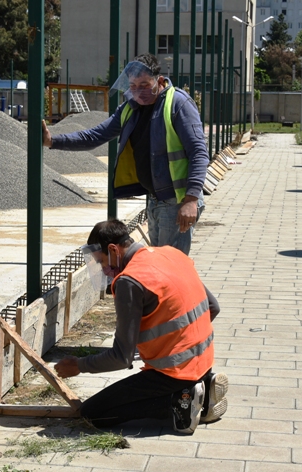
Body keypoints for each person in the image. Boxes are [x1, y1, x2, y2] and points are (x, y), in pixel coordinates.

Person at [54, 220, 228, 434]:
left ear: (113, 249)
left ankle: (180, 402)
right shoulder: (170, 254)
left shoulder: (130, 281)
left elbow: (121, 358)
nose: (104, 270)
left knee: (93, 413)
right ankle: (202, 387)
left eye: (102, 261)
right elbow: (213, 307)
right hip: (204, 362)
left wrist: (79, 365)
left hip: (173, 373)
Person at [42, 54, 209, 256]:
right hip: (155, 199)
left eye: (144, 85)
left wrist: (191, 200)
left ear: (159, 81)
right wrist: (53, 141)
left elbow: (199, 152)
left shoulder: (178, 104)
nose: (138, 91)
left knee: (169, 265)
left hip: (177, 200)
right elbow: (95, 135)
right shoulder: (131, 108)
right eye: (133, 86)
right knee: (161, 263)